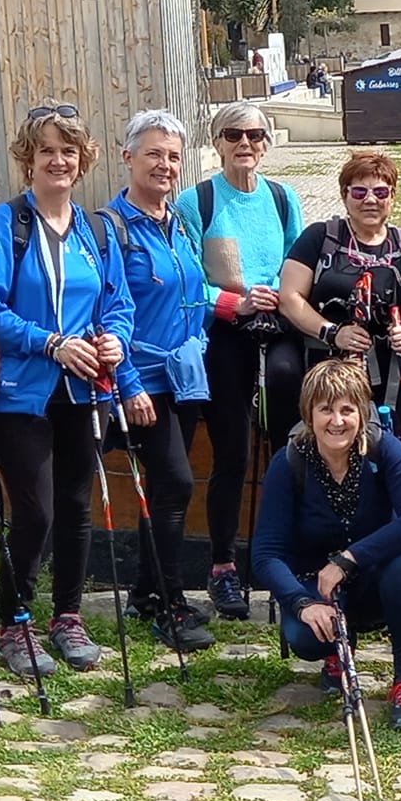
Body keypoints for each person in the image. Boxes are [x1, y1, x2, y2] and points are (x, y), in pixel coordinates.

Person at [0, 103, 134, 678]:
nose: (59, 160)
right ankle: (14, 622)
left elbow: (118, 302)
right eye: (47, 150)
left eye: (69, 151)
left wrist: (115, 340)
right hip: (21, 392)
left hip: (85, 390)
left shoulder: (97, 230)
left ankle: (67, 616)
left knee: (74, 505)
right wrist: (50, 343)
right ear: (29, 159)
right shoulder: (5, 224)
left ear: (83, 159)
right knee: (35, 511)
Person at [175, 102, 307, 621]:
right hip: (226, 330)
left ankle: (288, 559)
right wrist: (236, 302)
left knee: (288, 448)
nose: (245, 144)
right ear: (218, 143)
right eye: (233, 135)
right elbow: (189, 278)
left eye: (254, 134)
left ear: (267, 143)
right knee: (231, 453)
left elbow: (297, 264)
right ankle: (223, 566)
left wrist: (280, 298)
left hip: (276, 329)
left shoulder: (282, 198)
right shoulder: (197, 201)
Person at [253, 358, 401, 731]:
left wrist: (350, 559)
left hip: (374, 578)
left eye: (347, 410)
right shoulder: (289, 462)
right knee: (305, 637)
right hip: (316, 584)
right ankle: (336, 650)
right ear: (309, 415)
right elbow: (266, 553)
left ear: (362, 414)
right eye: (326, 410)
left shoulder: (384, 449)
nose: (337, 421)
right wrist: (302, 604)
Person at [102, 110, 216, 654]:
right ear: (128, 158)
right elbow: (106, 311)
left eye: (173, 156)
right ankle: (170, 604)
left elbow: (194, 294)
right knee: (175, 484)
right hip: (143, 379)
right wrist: (126, 382)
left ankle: (147, 594)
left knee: (168, 486)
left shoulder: (179, 223)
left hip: (184, 376)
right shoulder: (111, 229)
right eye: (153, 154)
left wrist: (202, 344)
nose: (165, 165)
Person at [280, 149, 401, 436]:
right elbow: (290, 298)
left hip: (396, 375)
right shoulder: (320, 238)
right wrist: (332, 332)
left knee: (391, 447)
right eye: (359, 192)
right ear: (345, 195)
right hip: (330, 373)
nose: (370, 200)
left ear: (392, 196)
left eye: (380, 192)